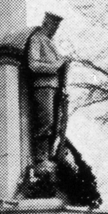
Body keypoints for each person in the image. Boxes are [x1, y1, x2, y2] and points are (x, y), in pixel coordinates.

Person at [26, 13, 69, 173]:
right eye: (54, 26)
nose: (55, 30)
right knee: (46, 122)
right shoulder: (37, 39)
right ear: (46, 23)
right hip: (43, 86)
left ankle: (49, 155)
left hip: (55, 87)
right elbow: (33, 65)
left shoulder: (50, 42)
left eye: (57, 26)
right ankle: (41, 157)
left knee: (56, 124)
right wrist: (57, 65)